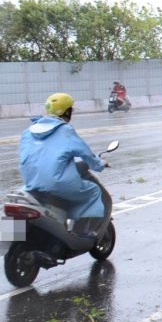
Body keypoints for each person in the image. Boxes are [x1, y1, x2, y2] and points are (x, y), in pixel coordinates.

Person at [19, 92, 109, 234]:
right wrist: (99, 164)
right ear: (67, 111)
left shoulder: (27, 132)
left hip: (31, 184)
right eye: (71, 110)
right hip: (58, 184)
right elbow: (85, 153)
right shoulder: (65, 130)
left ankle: (0, 235)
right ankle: (84, 232)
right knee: (94, 191)